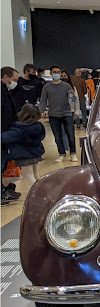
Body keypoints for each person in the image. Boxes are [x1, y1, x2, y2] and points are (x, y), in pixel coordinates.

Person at [39, 65, 78, 163]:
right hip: (53, 114)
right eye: (55, 72)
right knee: (57, 136)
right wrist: (41, 111)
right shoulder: (46, 87)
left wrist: (73, 97)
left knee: (70, 134)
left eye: (58, 72)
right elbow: (43, 100)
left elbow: (72, 99)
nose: (57, 74)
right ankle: (62, 154)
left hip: (66, 113)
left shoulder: (66, 86)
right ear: (51, 73)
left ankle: (73, 153)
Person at [1, 104, 45, 187]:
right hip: (36, 154)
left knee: (29, 176)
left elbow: (5, 137)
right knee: (36, 175)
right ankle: (41, 191)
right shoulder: (38, 126)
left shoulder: (19, 129)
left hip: (24, 156)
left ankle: (38, 195)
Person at [1, 66, 22, 205]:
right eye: (14, 79)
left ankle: (7, 189)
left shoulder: (5, 90)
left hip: (7, 132)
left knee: (6, 162)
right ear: (6, 77)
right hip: (3, 132)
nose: (15, 82)